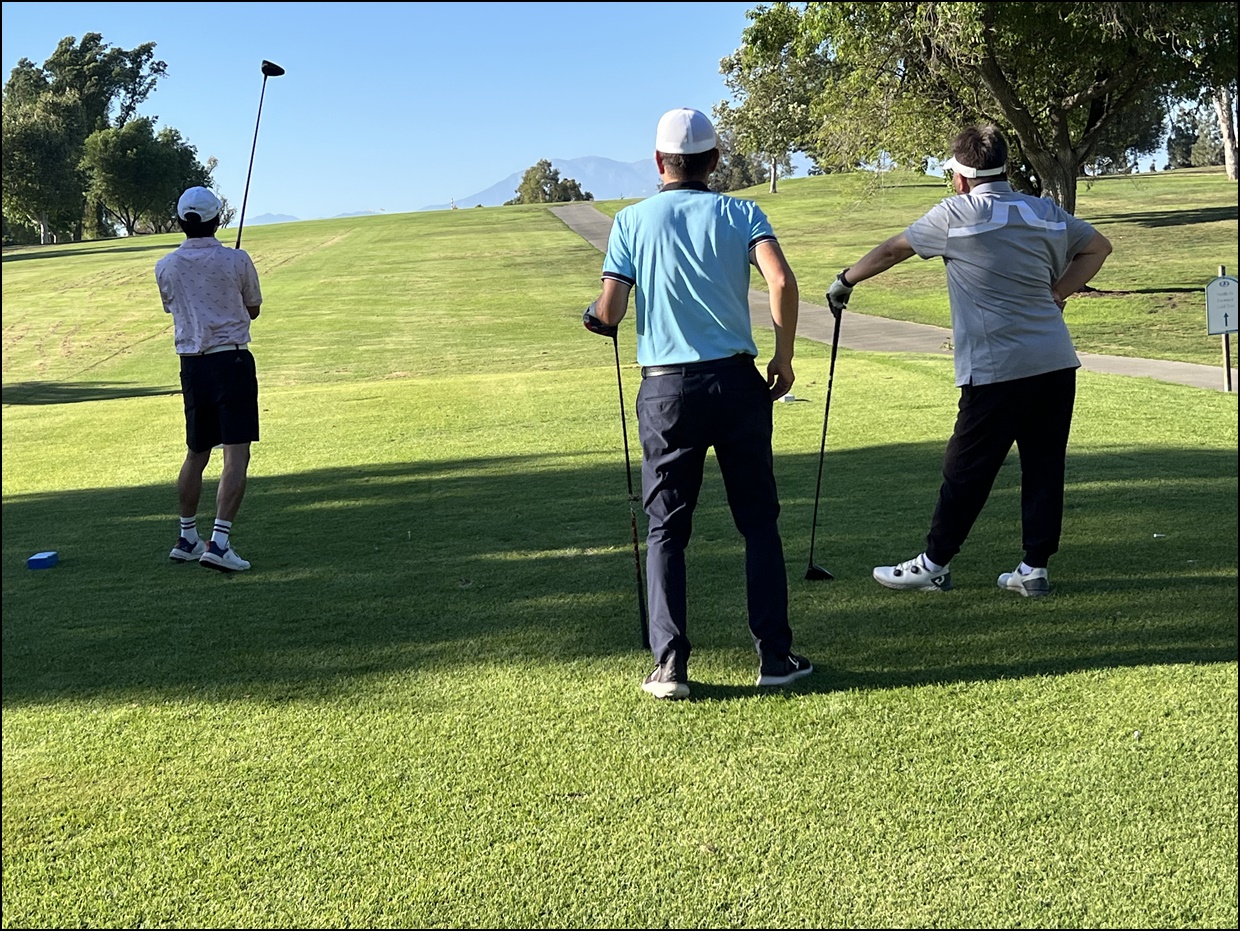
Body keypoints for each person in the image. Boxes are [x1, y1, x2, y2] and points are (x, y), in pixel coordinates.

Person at [582, 107, 812, 699]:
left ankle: (670, 666)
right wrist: (784, 357)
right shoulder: (743, 213)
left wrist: (594, 316)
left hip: (666, 390)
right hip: (737, 383)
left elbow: (610, 312)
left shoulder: (629, 221)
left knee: (666, 529)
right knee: (758, 523)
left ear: (659, 161)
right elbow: (781, 281)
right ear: (715, 161)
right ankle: (775, 656)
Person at [826, 124, 1112, 597]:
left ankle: (933, 564)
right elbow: (1098, 246)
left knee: (965, 469)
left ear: (960, 176)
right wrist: (1058, 292)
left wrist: (845, 281)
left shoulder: (955, 214)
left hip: (998, 367)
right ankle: (1034, 568)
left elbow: (893, 250)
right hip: (1055, 361)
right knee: (1043, 466)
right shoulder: (1043, 210)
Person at [156, 186, 263, 573]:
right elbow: (253, 309)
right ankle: (218, 544)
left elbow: (174, 307)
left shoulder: (165, 266)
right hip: (231, 362)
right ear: (218, 219)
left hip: (192, 367)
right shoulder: (237, 259)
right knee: (236, 452)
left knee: (197, 451)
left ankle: (187, 538)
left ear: (181, 221)